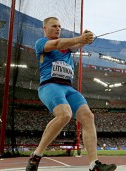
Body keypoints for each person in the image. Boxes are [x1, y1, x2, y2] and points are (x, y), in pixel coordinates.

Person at [26, 17, 117, 171]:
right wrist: (80, 38)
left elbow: (79, 43)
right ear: (45, 29)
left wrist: (87, 37)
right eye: (54, 26)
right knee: (65, 115)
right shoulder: (41, 43)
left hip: (68, 88)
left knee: (88, 117)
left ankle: (94, 164)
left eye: (59, 26)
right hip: (50, 86)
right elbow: (57, 43)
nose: (58, 29)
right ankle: (36, 156)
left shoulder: (68, 48)